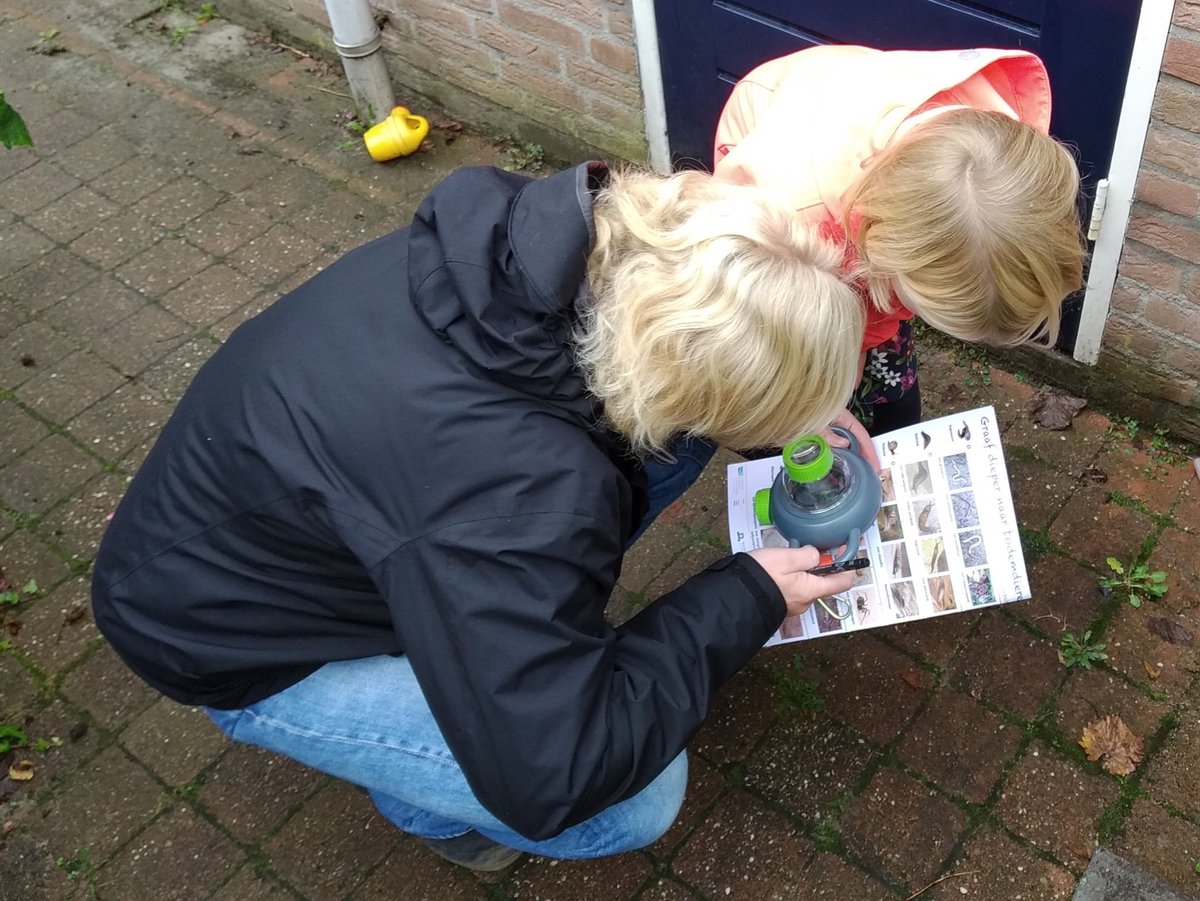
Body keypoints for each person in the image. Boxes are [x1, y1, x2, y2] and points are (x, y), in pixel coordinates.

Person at [91, 162, 869, 871]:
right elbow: (558, 771)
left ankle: (488, 664)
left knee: (674, 452)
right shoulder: (522, 497)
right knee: (635, 798)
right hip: (222, 637)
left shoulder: (531, 249)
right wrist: (747, 597)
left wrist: (798, 406)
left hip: (281, 520)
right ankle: (427, 809)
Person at [713, 44, 1088, 435]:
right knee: (808, 343)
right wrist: (816, 382)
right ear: (886, 250)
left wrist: (866, 339)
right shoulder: (782, 211)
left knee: (885, 362)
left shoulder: (1008, 164)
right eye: (924, 305)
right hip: (774, 125)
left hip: (864, 157)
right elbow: (738, 286)